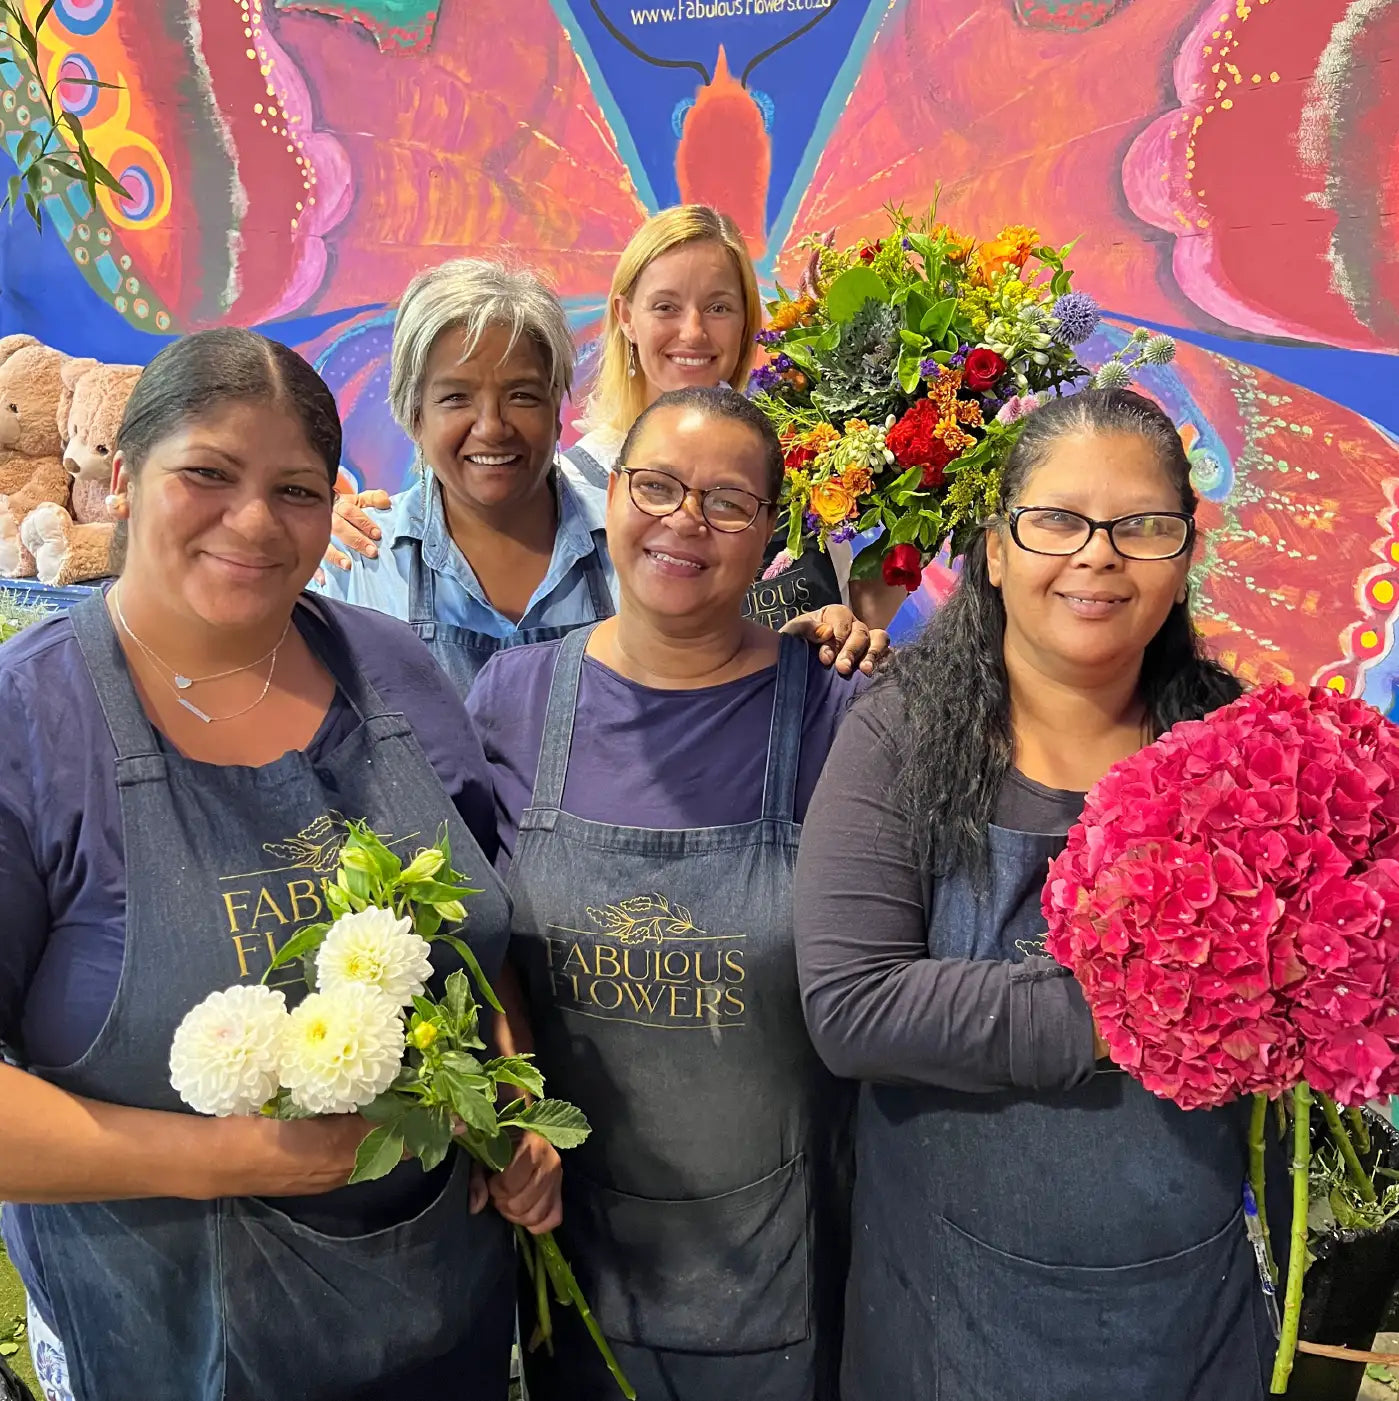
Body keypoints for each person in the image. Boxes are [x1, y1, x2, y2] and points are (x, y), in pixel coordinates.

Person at [0, 329, 558, 1400]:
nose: (253, 523)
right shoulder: (34, 723)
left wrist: (510, 1102)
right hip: (160, 1339)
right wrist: (240, 1159)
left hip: (436, 1319)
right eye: (206, 474)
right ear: (121, 479)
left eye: (297, 490)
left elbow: (480, 934)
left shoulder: (389, 669)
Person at [794, 388, 1274, 1401]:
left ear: (1183, 554)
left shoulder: (1239, 752)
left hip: (1181, 1315)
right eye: (1056, 520)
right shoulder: (900, 734)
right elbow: (853, 1008)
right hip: (947, 1321)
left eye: (1140, 526)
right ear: (997, 548)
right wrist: (1135, 1008)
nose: (1096, 556)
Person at [467, 387, 861, 1401]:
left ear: (769, 533)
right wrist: (509, 1092)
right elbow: (478, 942)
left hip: (783, 1277)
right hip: (569, 1261)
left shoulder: (834, 705)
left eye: (727, 503)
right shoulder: (511, 701)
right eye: (656, 486)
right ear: (608, 497)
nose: (684, 521)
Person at [317, 255, 885, 693]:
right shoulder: (354, 568)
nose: (491, 427)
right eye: (455, 398)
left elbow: (710, 688)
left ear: (559, 404)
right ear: (412, 411)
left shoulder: (645, 543)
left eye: (521, 395)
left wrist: (797, 654)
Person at [568, 203, 907, 630]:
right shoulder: (576, 487)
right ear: (626, 317)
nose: (693, 332)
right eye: (665, 307)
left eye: (718, 308)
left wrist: (921, 517)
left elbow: (844, 613)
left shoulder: (802, 456)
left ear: (747, 321)